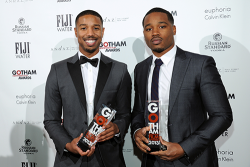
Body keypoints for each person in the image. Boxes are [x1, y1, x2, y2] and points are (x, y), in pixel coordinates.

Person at [131, 7, 233, 167]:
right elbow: (138, 111)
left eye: (162, 26)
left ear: (173, 29)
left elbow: (222, 116)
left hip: (192, 160)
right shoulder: (140, 69)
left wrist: (183, 148)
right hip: (152, 160)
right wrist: (137, 132)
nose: (155, 32)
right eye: (148, 28)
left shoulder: (200, 64)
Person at [44, 10, 131, 167]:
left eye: (96, 28)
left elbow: (125, 114)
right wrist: (69, 144)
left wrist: (117, 127)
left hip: (109, 160)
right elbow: (51, 120)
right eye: (83, 28)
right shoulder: (57, 71)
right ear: (76, 32)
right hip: (70, 160)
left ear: (103, 32)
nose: (90, 33)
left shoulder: (120, 70)